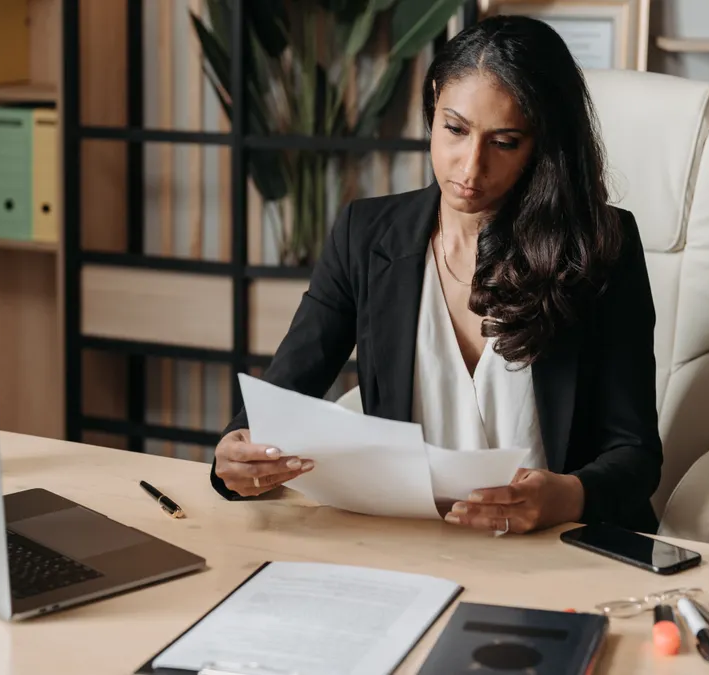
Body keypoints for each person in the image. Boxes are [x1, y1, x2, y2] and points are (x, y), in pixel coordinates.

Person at [210, 14, 663, 535]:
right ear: (432, 105)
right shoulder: (367, 235)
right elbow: (283, 395)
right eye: (454, 129)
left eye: (505, 141)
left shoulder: (600, 246)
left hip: (557, 545)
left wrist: (565, 497)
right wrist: (236, 453)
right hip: (413, 542)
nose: (470, 168)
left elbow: (635, 455)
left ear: (544, 144)